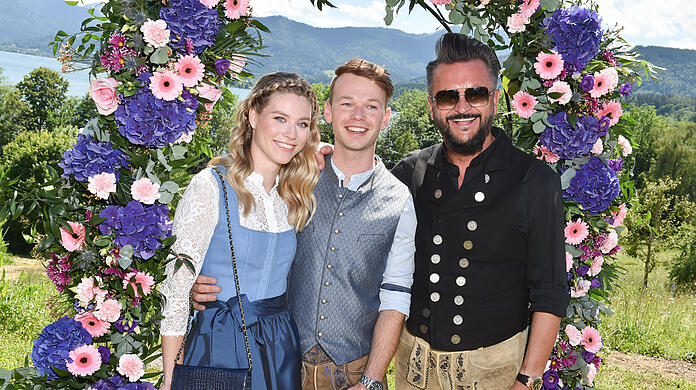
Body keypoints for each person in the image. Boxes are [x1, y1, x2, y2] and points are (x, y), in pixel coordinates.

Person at [192, 58, 417, 390]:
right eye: (347, 104)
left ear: (385, 118)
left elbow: (396, 297)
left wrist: (371, 380)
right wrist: (204, 284)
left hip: (353, 374)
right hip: (282, 362)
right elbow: (244, 233)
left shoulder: (400, 201)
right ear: (327, 112)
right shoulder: (295, 179)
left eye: (371, 106)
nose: (357, 116)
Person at [389, 33, 569, 390]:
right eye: (447, 96)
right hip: (414, 365)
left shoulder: (533, 181)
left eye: (475, 93)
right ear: (431, 107)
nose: (462, 107)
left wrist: (526, 379)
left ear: (495, 99)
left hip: (493, 369)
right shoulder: (410, 173)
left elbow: (549, 291)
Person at [159, 72, 321, 390]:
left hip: (279, 348)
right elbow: (176, 292)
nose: (291, 133)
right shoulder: (210, 185)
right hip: (218, 345)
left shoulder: (295, 192)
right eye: (280, 118)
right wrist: (170, 380)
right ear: (253, 115)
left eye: (302, 124)